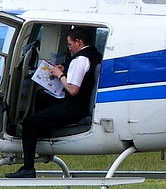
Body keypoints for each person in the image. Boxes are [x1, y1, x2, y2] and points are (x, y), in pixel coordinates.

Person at [6, 27, 102, 178]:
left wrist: (60, 74)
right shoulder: (93, 54)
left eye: (70, 45)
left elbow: (72, 90)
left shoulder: (80, 60)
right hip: (80, 104)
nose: (69, 48)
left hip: (75, 108)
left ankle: (28, 168)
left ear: (79, 42)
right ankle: (43, 133)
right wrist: (65, 68)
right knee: (41, 96)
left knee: (29, 123)